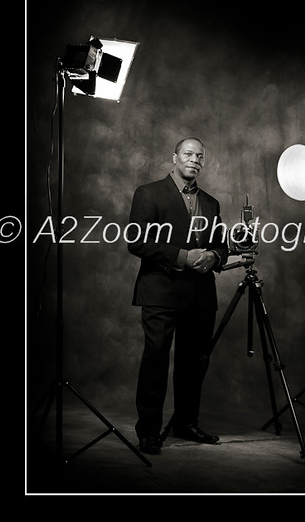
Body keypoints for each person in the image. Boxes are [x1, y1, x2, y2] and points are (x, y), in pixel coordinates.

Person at [127, 137, 229, 454]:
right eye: (188, 153)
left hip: (200, 296)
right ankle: (148, 430)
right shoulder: (148, 193)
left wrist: (215, 255)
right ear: (174, 157)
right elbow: (136, 242)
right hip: (160, 291)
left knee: (193, 363)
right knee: (156, 360)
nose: (194, 159)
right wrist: (183, 256)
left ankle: (186, 424)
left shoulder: (211, 203)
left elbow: (221, 246)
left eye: (200, 155)